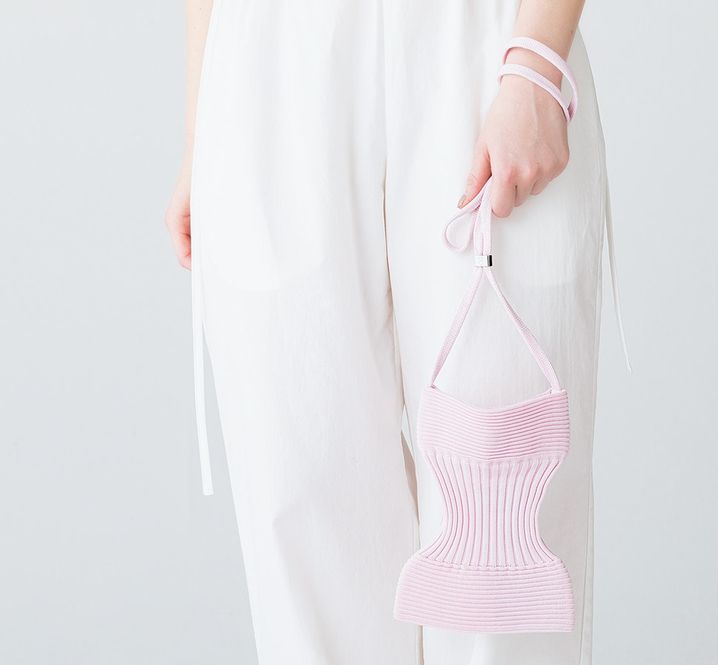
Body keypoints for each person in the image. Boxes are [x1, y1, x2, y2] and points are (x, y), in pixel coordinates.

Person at [164, 0, 621, 662]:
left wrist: (538, 57)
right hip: (271, 64)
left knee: (500, 532)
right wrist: (199, 133)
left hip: (488, 44)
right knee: (305, 503)